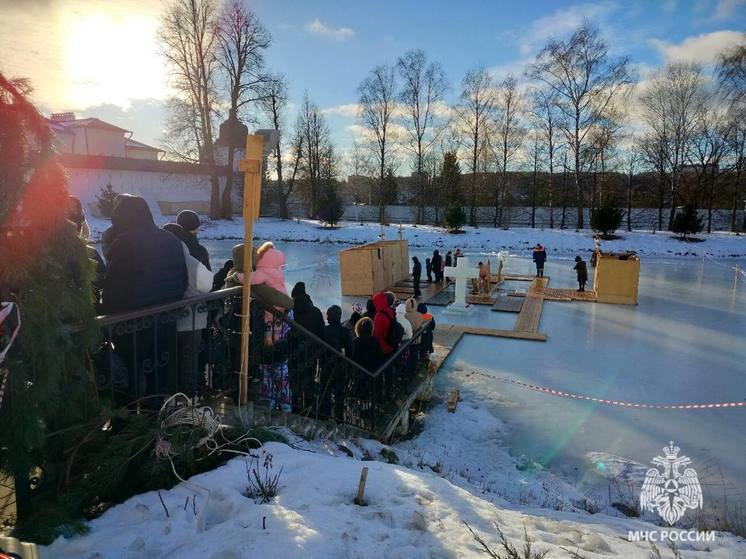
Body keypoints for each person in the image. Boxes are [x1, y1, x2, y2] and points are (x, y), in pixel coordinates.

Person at [101, 195, 187, 314]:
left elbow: (114, 289)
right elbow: (183, 281)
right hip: (169, 319)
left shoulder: (125, 243)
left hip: (134, 322)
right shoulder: (172, 239)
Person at [322, 305, 354, 419]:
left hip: (326, 364)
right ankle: (339, 417)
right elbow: (350, 350)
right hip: (340, 365)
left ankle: (325, 415)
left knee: (326, 390)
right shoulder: (345, 331)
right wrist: (350, 365)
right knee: (339, 392)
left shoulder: (324, 331)